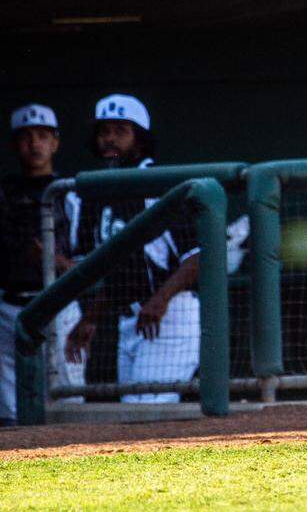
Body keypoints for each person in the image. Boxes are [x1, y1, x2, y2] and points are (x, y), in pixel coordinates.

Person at [64, 94, 201, 403]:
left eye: (120, 130)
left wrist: (160, 300)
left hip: (171, 312)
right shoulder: (98, 194)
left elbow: (197, 258)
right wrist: (91, 318)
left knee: (149, 412)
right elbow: (117, 269)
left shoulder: (158, 184)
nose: (109, 139)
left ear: (139, 139)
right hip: (131, 318)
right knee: (132, 416)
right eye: (103, 131)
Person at [0, 104, 84, 425]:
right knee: (10, 411)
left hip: (59, 308)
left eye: (43, 136)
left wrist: (53, 260)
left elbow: (89, 259)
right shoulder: (4, 193)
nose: (35, 144)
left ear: (56, 142)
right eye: (26, 137)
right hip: (11, 308)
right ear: (14, 144)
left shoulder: (72, 194)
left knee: (69, 399)